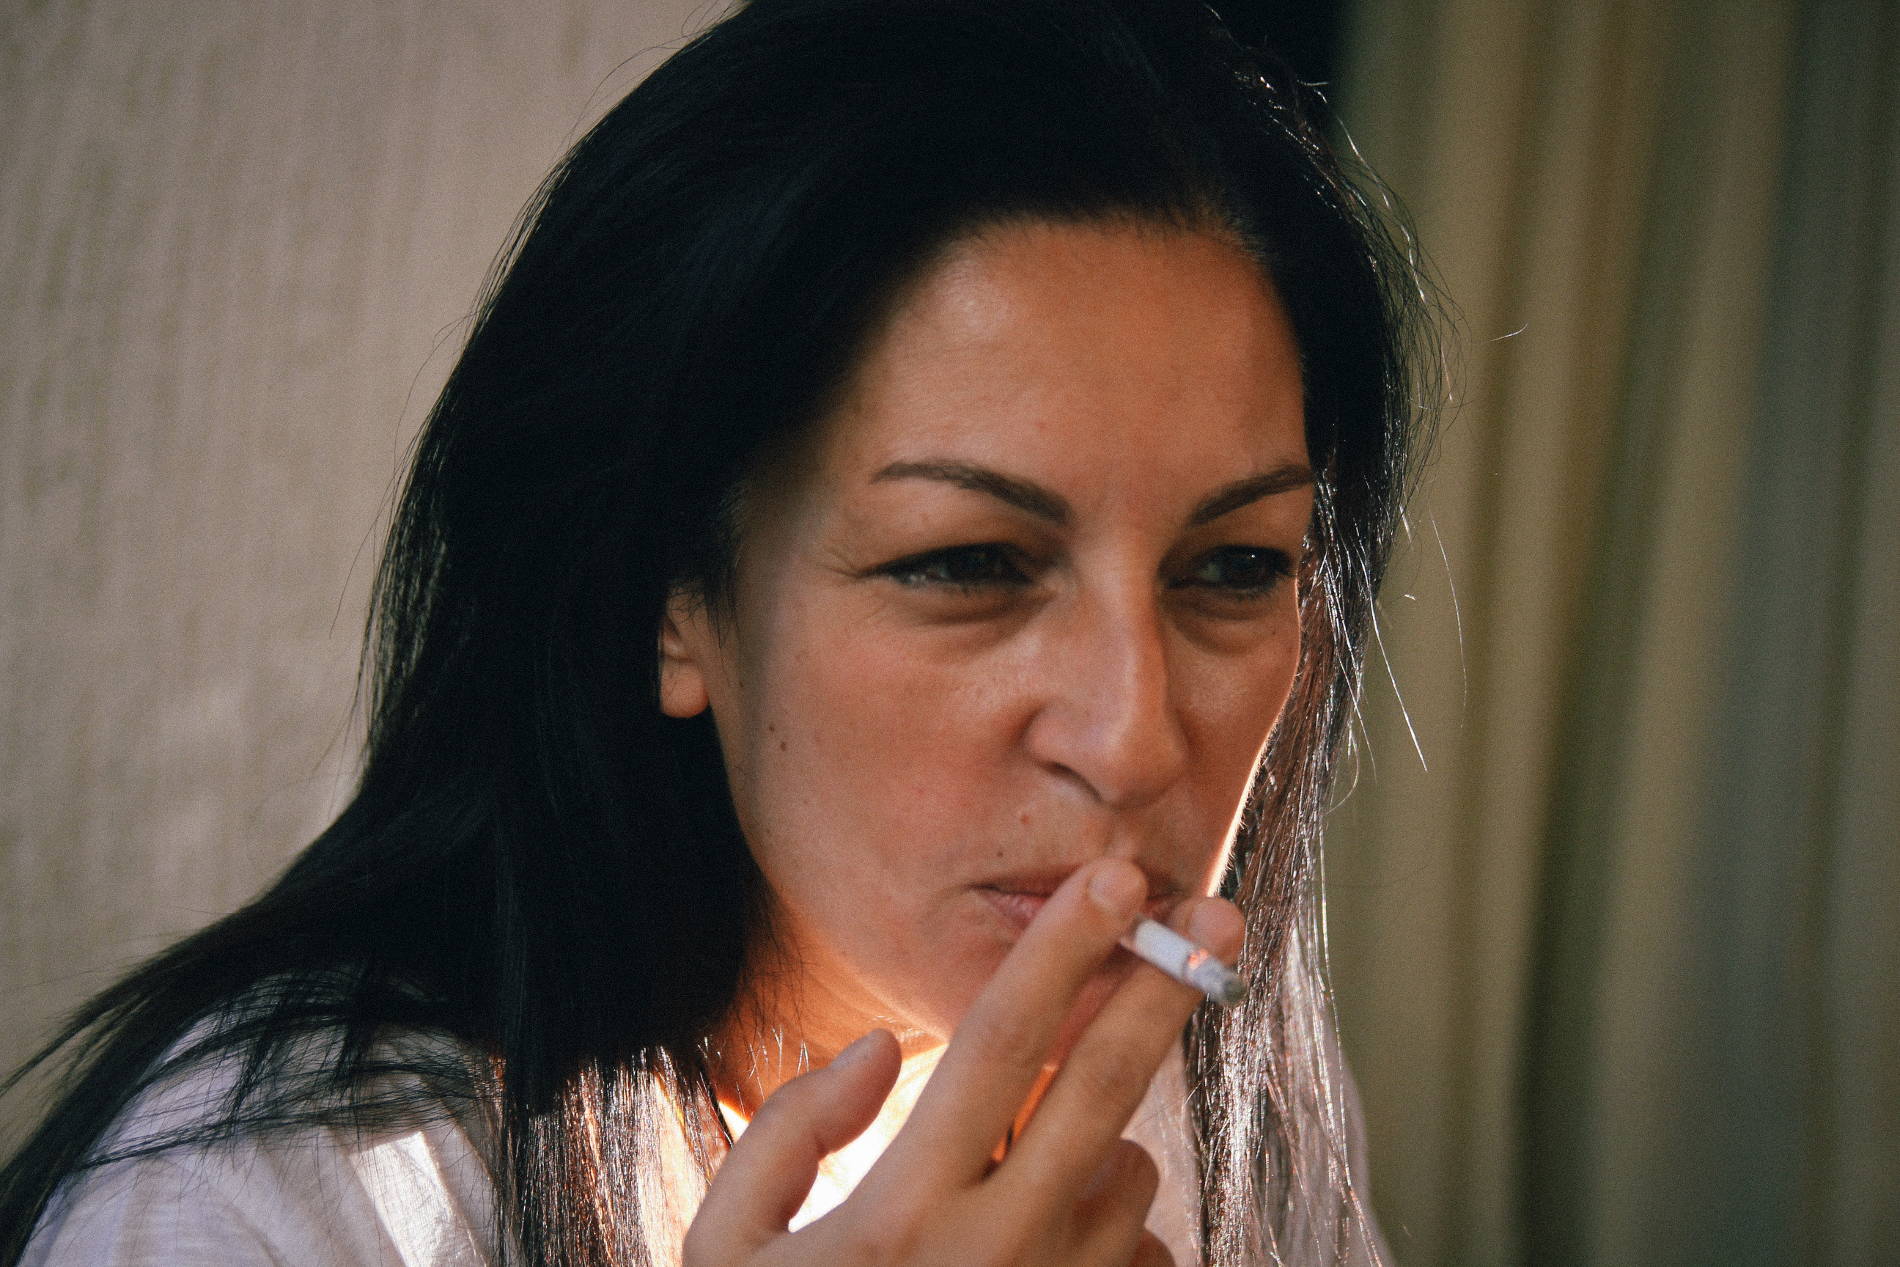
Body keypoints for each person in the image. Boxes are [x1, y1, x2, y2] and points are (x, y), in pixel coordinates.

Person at [0, 0, 1435, 1263]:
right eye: (970, 566)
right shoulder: (277, 1204)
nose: (1133, 739)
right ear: (670, 597)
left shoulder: (1205, 1094)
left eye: (1235, 567)